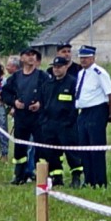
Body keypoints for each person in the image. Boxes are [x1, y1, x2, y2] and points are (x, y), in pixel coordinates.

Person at [73, 45, 111, 188]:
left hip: (97, 111)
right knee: (84, 147)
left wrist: (110, 114)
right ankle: (88, 179)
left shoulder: (100, 73)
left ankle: (99, 180)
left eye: (86, 57)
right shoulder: (81, 73)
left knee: (96, 147)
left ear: (93, 57)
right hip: (83, 112)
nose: (83, 60)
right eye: (81, 58)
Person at [36, 56, 81, 187]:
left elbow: (75, 105)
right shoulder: (48, 84)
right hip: (49, 125)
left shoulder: (72, 83)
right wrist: (43, 121)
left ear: (66, 67)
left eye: (59, 67)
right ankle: (57, 177)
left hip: (66, 125)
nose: (56, 69)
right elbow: (43, 104)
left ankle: (76, 177)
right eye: (54, 67)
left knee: (72, 152)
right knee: (52, 153)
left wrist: (70, 121)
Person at [2, 48, 44, 185]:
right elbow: (5, 93)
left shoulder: (42, 76)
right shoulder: (15, 77)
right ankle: (19, 175)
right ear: (22, 58)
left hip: (38, 118)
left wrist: (40, 103)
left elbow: (49, 93)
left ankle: (41, 175)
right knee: (20, 147)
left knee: (40, 147)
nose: (31, 57)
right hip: (21, 117)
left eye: (33, 55)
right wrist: (14, 102)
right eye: (28, 55)